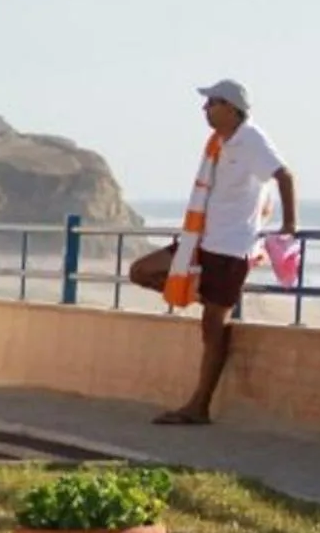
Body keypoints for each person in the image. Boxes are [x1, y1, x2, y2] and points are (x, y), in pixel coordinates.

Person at [127, 79, 297, 425]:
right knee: (141, 271)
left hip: (231, 247)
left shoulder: (252, 139)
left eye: (212, 103)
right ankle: (209, 300)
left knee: (212, 328)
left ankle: (198, 406)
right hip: (199, 241)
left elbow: (284, 176)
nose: (205, 109)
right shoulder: (219, 143)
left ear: (232, 108)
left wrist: (289, 226)